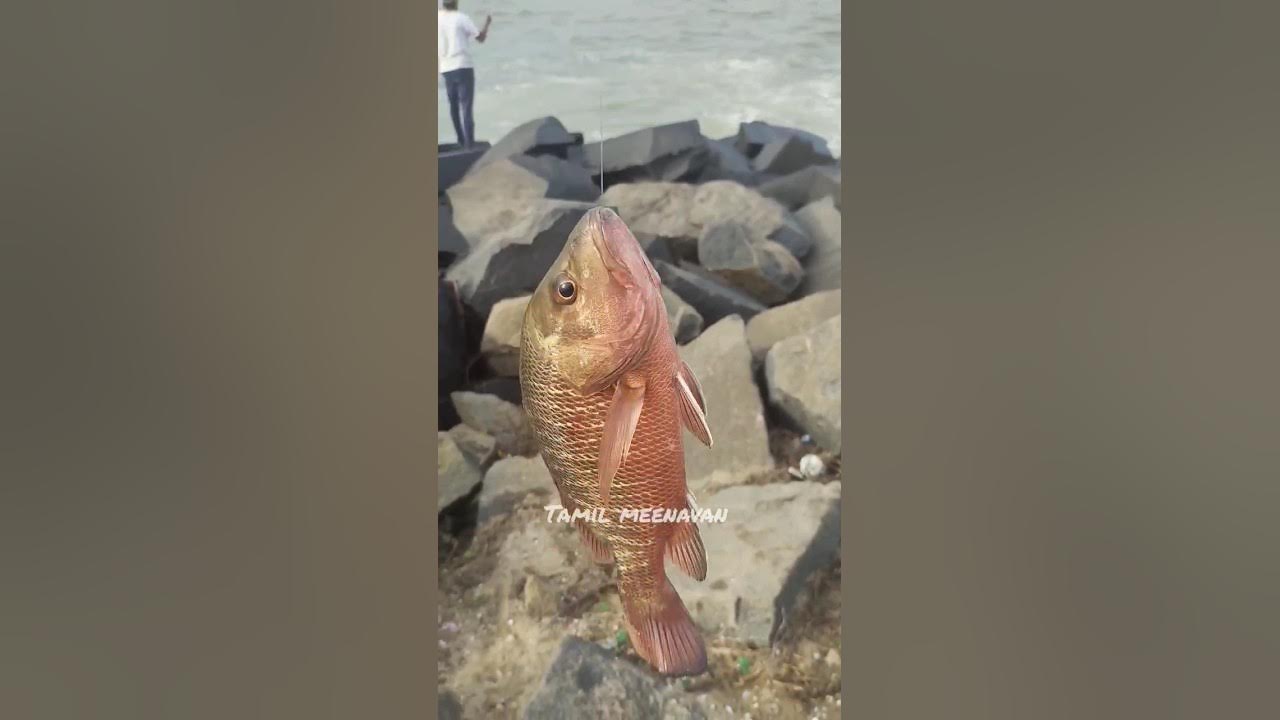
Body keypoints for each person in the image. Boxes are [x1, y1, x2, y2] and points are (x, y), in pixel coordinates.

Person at [438, 1, 491, 149]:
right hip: (462, 65)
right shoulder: (461, 18)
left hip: (446, 68)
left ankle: (461, 140)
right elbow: (480, 38)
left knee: (453, 106)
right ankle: (469, 144)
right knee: (466, 107)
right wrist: (487, 24)